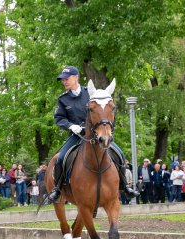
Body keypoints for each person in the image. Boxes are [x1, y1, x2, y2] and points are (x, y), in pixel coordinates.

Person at [48, 66, 138, 201]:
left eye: (67, 79)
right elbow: (59, 119)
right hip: (76, 136)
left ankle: (125, 186)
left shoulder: (90, 93)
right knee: (61, 158)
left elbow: (104, 109)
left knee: (120, 154)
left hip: (97, 134)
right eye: (63, 80)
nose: (64, 82)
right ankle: (57, 189)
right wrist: (71, 126)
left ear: (76, 77)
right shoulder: (63, 99)